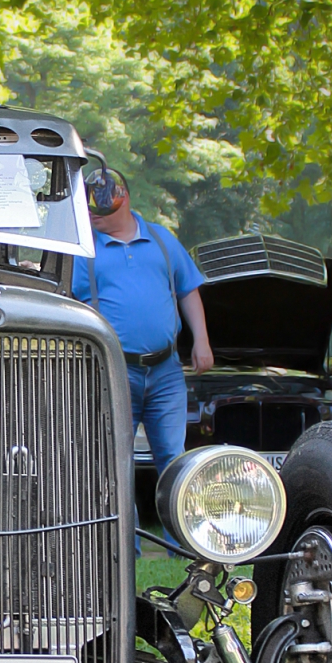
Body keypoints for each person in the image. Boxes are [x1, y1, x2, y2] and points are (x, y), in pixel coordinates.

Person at [71, 162, 213, 550]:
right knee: (117, 460)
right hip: (114, 369)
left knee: (174, 456)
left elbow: (188, 290)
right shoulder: (84, 252)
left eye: (103, 212)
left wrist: (201, 340)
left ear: (125, 201)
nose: (96, 220)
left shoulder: (163, 241)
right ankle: (126, 548)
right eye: (91, 213)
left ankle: (181, 545)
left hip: (166, 370)